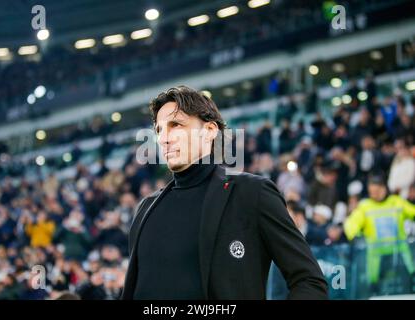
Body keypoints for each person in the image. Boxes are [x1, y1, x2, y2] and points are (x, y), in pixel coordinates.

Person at [122, 86, 327, 300]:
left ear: (210, 131)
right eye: (159, 130)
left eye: (176, 125)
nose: (164, 138)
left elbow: (309, 281)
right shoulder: (145, 209)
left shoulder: (252, 193)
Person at [344, 175, 415, 288]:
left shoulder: (396, 202)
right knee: (376, 289)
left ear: (384, 188)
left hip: (400, 255)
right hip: (376, 258)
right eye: (371, 192)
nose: (374, 195)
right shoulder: (365, 206)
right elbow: (351, 223)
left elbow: (412, 212)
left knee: (406, 287)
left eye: (376, 191)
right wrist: (354, 236)